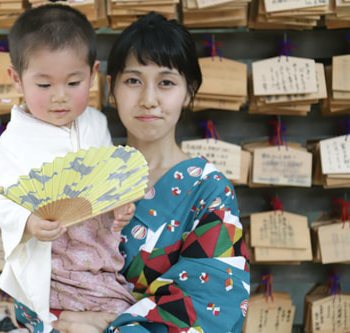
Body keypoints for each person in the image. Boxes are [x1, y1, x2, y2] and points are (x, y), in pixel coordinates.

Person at [52, 12, 250, 333]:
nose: (148, 100)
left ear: (189, 92)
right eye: (133, 80)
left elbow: (212, 301)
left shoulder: (208, 189)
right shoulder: (81, 176)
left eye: (166, 82)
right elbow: (36, 275)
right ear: (111, 89)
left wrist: (108, 327)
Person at [0, 4, 136, 333]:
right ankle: (65, 320)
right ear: (17, 79)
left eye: (73, 82)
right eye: (44, 85)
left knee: (120, 313)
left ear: (93, 74)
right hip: (50, 259)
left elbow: (109, 179)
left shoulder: (95, 122)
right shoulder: (13, 144)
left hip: (97, 255)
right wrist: (30, 222)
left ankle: (83, 319)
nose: (59, 97)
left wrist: (120, 206)